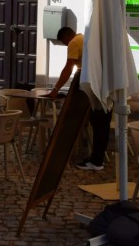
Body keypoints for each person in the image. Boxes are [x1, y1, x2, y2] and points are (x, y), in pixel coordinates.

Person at [47, 25, 111, 171]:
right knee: (103, 124)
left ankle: (96, 161)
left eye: (63, 42)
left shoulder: (74, 42)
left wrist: (56, 89)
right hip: (104, 87)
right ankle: (98, 158)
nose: (65, 45)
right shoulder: (85, 39)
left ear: (66, 36)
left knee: (98, 124)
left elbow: (68, 68)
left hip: (94, 89)